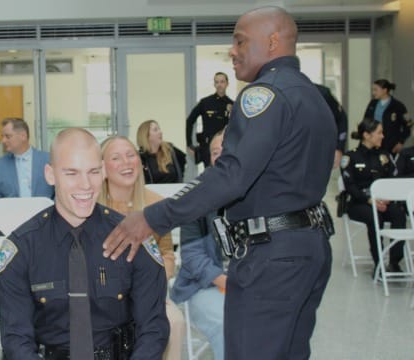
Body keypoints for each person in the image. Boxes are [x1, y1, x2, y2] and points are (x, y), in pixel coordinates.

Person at [102, 7, 336, 359]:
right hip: (309, 247)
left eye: (240, 41)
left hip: (272, 257)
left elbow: (231, 174)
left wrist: (153, 218)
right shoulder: (316, 97)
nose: (232, 50)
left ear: (273, 41)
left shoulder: (264, 95)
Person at [0, 128, 169, 359]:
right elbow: (15, 339)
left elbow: (153, 329)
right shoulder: (23, 248)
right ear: (50, 174)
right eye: (72, 173)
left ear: (104, 171)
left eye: (93, 171)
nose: (85, 185)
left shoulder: (133, 239)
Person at [97, 135, 184, 360]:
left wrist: (150, 292)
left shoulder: (156, 204)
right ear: (102, 167)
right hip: (102, 297)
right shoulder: (91, 205)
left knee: (174, 322)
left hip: (147, 296)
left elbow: (166, 255)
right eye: (116, 158)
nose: (126, 163)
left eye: (131, 155)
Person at [171, 129, 227, 360]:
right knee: (230, 324)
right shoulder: (197, 195)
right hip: (205, 285)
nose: (221, 156)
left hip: (253, 283)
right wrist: (226, 281)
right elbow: (192, 256)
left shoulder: (260, 195)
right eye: (215, 152)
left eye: (227, 149)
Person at [341, 118, 405, 273]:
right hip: (360, 203)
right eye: (379, 133)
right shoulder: (351, 157)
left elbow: (393, 179)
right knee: (374, 216)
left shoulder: (384, 156)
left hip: (384, 201)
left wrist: (388, 198)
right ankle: (379, 264)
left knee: (399, 214)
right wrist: (370, 200)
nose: (382, 136)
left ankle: (395, 261)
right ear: (366, 135)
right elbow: (351, 187)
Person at [0, 117, 53, 207]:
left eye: (8, 136)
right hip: (12, 219)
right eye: (3, 136)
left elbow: (60, 193)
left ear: (23, 136)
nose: (3, 141)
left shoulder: (49, 160)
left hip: (46, 217)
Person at [185, 72, 234, 167]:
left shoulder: (232, 104)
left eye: (222, 82)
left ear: (227, 84)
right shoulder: (205, 102)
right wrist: (189, 144)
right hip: (207, 147)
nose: (219, 85)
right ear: (214, 84)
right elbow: (190, 120)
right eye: (217, 82)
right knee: (209, 175)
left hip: (224, 147)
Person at [363, 79, 411, 157]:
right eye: (373, 90)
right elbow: (366, 121)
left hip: (390, 146)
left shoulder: (398, 106)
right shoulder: (373, 104)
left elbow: (408, 125)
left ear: (384, 90)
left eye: (376, 90)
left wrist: (401, 142)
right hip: (373, 144)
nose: (373, 93)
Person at [137, 120, 186, 184]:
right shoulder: (140, 158)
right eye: (155, 130)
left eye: (159, 129)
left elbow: (183, 160)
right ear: (146, 135)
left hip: (174, 191)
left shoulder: (170, 150)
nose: (160, 132)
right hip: (152, 193)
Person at [315, 83, 348, 168]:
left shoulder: (322, 93)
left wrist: (339, 148)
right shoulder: (280, 93)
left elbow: (341, 118)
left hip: (321, 150)